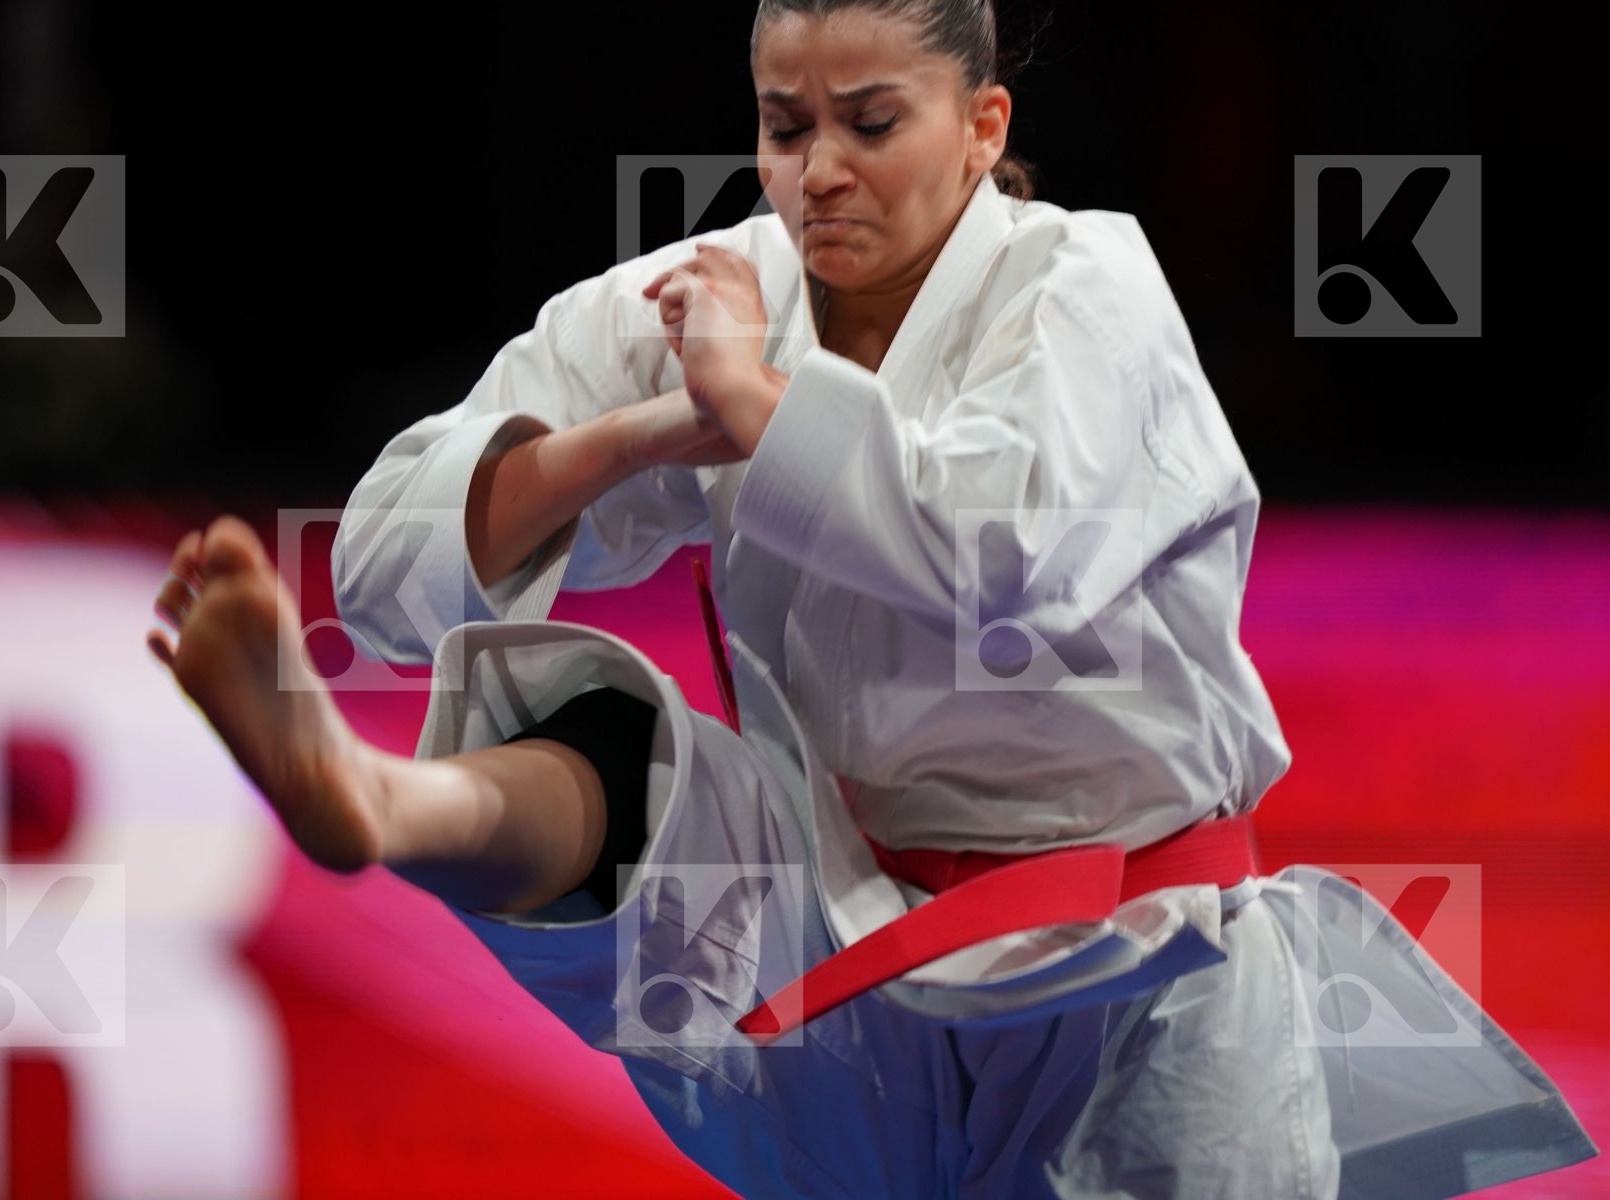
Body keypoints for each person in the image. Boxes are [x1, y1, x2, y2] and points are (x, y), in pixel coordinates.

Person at [148, 2, 1597, 1196]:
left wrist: (763, 408)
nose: (819, 169)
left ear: (983, 127)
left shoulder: (1090, 285)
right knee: (637, 755)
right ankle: (376, 802)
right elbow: (385, 562)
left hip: (1137, 991)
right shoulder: (720, 296)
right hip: (847, 959)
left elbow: (1016, 555)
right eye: (787, 127)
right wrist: (645, 436)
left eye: (870, 122)